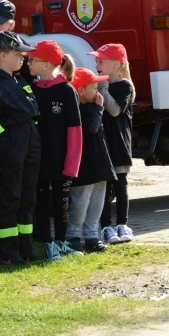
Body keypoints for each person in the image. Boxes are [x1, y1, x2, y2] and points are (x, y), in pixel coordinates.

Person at [0, 31, 40, 265]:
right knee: (9, 198)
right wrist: (7, 144)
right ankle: (8, 252)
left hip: (30, 140)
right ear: (3, 55)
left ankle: (26, 247)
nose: (23, 57)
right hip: (13, 144)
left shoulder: (19, 80)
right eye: (18, 53)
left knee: (28, 197)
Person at [27, 40, 83, 260]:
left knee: (61, 203)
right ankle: (48, 243)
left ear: (47, 63)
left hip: (61, 159)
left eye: (32, 60)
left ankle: (61, 241)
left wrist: (72, 164)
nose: (28, 63)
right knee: (41, 202)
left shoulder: (67, 90)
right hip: (38, 158)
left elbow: (74, 130)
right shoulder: (31, 89)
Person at [90, 44, 136, 245]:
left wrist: (103, 89)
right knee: (104, 188)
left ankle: (122, 224)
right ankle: (106, 227)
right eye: (96, 61)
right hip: (102, 145)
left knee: (120, 186)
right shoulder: (98, 86)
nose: (97, 65)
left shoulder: (125, 86)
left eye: (101, 61)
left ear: (117, 64)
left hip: (118, 145)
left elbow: (115, 110)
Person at [67, 68, 116, 253]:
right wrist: (99, 108)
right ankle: (72, 236)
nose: (97, 92)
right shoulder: (78, 109)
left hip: (100, 163)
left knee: (97, 202)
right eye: (94, 88)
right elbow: (91, 127)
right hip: (84, 165)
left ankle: (91, 236)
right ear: (80, 90)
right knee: (80, 202)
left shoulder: (94, 106)